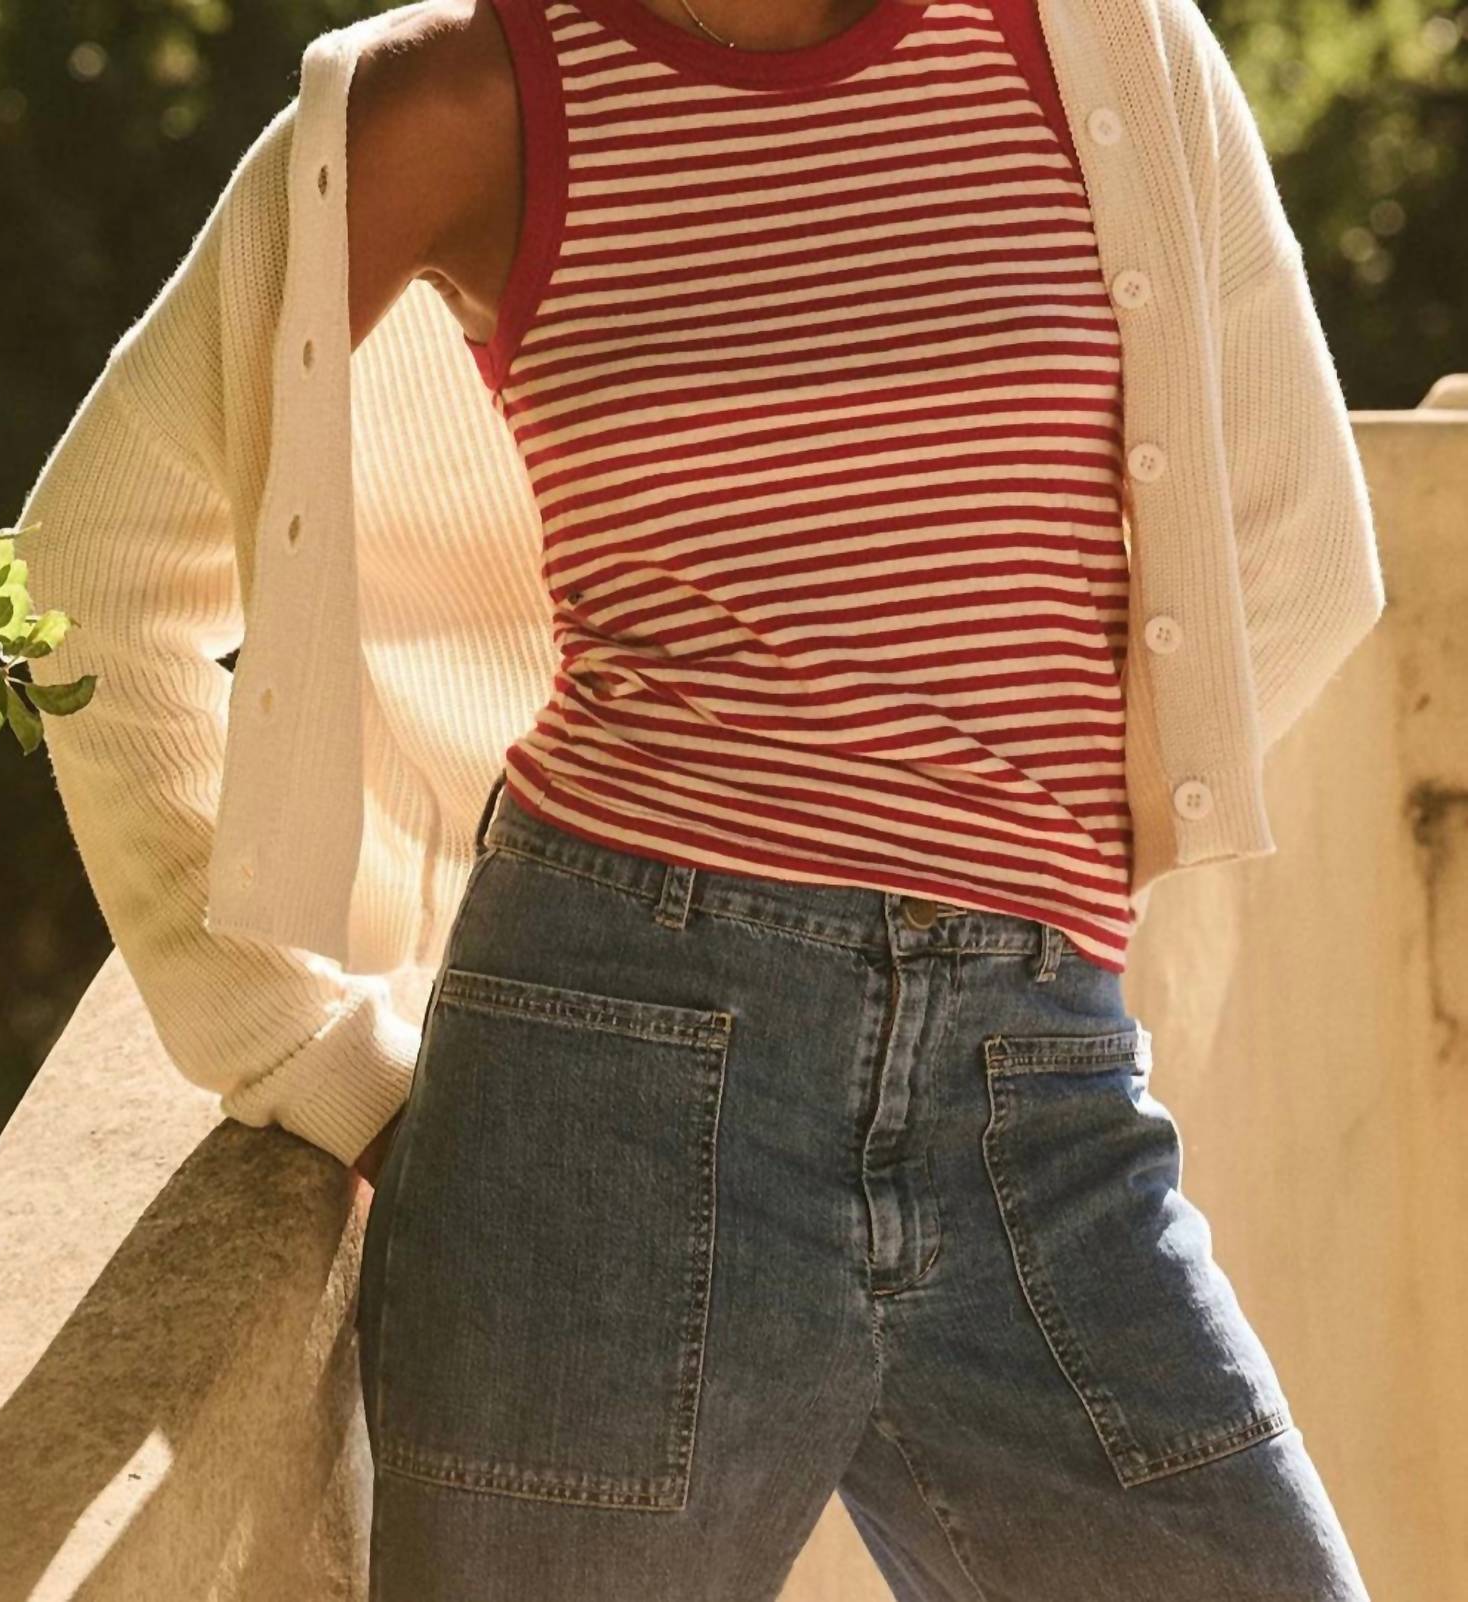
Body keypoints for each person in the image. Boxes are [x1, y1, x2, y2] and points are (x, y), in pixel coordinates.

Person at [335, 0, 1378, 1598]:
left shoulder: (1100, 41)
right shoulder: (460, 91)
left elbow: (1302, 546)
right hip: (615, 1066)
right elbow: (104, 573)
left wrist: (1042, 858)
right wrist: (291, 1044)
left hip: (1039, 1081)